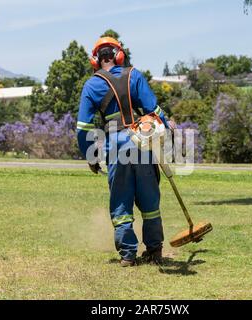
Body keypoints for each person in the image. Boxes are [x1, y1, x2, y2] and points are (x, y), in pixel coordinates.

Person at [77, 36, 168, 267]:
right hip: (142, 140)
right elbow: (154, 111)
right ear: (119, 55)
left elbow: (84, 128)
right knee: (149, 199)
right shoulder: (135, 75)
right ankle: (155, 250)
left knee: (121, 201)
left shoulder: (92, 85)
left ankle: (128, 255)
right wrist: (166, 132)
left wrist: (91, 156)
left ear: (95, 60)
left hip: (115, 145)